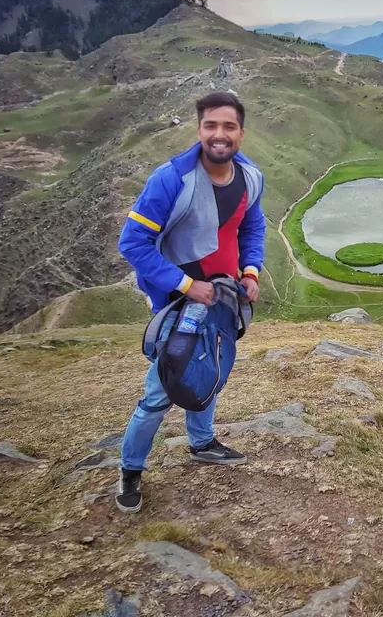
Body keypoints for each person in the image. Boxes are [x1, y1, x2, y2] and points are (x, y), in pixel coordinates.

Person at [114, 91, 265, 513]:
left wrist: (250, 272)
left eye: (229, 126)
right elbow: (133, 242)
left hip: (223, 296)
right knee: (162, 390)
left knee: (210, 366)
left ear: (241, 133)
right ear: (199, 130)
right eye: (211, 126)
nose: (220, 135)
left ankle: (201, 442)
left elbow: (252, 227)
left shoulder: (250, 177)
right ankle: (130, 469)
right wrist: (184, 284)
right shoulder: (170, 179)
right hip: (180, 302)